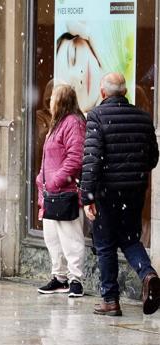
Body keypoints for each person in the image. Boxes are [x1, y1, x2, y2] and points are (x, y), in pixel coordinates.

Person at [81, 72, 160, 316]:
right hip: (134, 191)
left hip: (106, 192)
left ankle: (110, 300)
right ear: (125, 92)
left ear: (103, 92)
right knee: (130, 239)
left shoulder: (96, 116)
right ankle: (148, 274)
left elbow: (91, 160)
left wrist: (87, 197)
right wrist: (133, 174)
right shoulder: (143, 117)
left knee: (105, 244)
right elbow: (153, 158)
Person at [36, 84, 86, 297]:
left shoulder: (73, 123)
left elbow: (76, 157)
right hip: (50, 192)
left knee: (71, 238)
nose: (49, 103)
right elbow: (47, 158)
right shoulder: (56, 123)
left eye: (53, 99)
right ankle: (59, 277)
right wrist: (42, 180)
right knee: (52, 238)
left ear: (61, 101)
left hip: (65, 192)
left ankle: (76, 280)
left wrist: (56, 180)